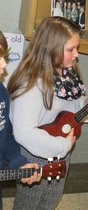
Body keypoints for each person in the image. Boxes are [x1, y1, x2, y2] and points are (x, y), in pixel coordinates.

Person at [7, 17, 88, 210]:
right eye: (71, 49)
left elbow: (71, 107)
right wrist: (63, 145)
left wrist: (86, 103)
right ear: (50, 48)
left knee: (50, 200)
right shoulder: (31, 83)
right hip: (34, 155)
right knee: (28, 204)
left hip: (61, 148)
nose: (76, 54)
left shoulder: (66, 73)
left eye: (77, 48)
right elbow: (24, 133)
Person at [0, 30, 41, 210]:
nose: (4, 65)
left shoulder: (1, 92)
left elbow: (6, 136)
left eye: (5, 56)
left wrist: (19, 162)